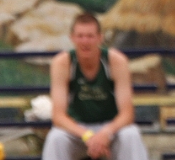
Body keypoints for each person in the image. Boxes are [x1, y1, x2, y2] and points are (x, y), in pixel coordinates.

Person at [42, 13, 149, 160]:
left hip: (110, 128)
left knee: (131, 135)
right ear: (72, 38)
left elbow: (127, 114)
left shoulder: (117, 61)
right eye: (80, 36)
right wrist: (87, 135)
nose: (85, 41)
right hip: (77, 129)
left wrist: (105, 133)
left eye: (90, 36)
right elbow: (58, 116)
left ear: (100, 37)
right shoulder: (62, 63)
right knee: (56, 138)